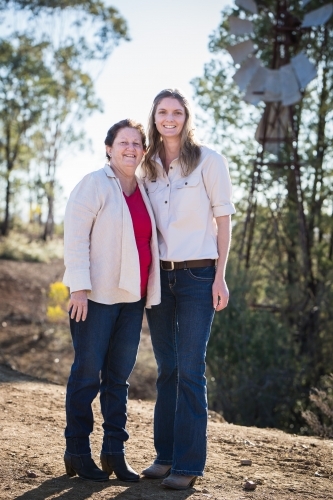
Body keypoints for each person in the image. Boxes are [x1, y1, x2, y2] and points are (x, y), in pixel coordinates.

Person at [139, 89, 236, 490]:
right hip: (160, 277)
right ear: (154, 117)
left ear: (186, 117)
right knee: (167, 370)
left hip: (199, 276)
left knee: (191, 369)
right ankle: (165, 456)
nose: (169, 118)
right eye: (162, 112)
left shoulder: (209, 161)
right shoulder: (146, 166)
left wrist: (221, 276)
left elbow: (225, 221)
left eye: (176, 112)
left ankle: (189, 463)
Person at [63, 119, 160, 482]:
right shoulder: (94, 184)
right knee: (87, 374)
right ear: (109, 147)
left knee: (118, 379)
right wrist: (79, 289)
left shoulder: (144, 189)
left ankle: (114, 453)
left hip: (131, 300)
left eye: (137, 143)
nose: (131, 148)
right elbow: (75, 238)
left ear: (143, 150)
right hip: (95, 298)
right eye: (124, 142)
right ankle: (77, 451)